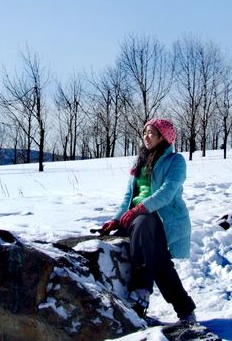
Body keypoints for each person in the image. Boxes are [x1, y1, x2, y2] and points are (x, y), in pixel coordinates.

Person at [99, 118, 196, 321]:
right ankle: (184, 309)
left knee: (146, 221)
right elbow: (128, 196)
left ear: (164, 137)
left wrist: (140, 209)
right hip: (137, 219)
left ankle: (142, 290)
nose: (146, 136)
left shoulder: (175, 161)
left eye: (151, 133)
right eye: (145, 132)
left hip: (161, 218)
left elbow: (167, 192)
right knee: (159, 259)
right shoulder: (140, 161)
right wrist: (117, 220)